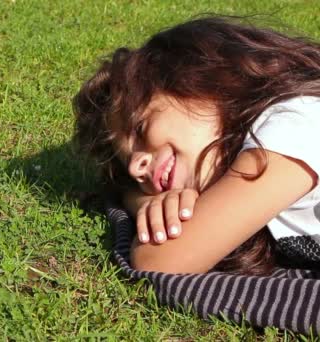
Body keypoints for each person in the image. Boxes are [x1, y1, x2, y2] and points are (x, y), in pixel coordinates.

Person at [73, 16, 320, 275]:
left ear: (202, 80)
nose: (136, 167)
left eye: (141, 129)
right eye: (128, 164)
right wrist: (143, 201)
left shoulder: (295, 125)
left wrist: (141, 206)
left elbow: (161, 260)